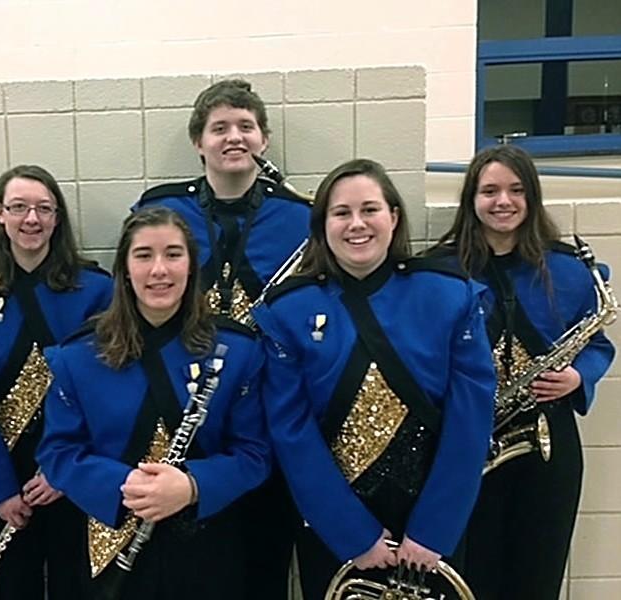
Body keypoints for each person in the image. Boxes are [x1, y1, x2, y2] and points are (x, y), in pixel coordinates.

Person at [253, 158, 496, 598]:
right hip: (336, 523)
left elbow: (471, 420)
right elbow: (291, 431)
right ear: (322, 225)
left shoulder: (449, 293)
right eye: (341, 213)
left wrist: (435, 529)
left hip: (431, 519)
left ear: (394, 217)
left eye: (370, 209)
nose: (356, 224)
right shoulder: (286, 310)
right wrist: (351, 533)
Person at [37, 207, 271, 600]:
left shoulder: (238, 350)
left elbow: (256, 454)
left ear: (192, 266)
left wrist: (193, 486)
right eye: (144, 255)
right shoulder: (77, 356)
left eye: (173, 254)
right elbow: (57, 453)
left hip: (210, 550)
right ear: (125, 269)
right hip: (112, 553)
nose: (159, 269)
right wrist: (122, 484)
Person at [132, 78, 309, 599]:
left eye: (246, 126)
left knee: (267, 563)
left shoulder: (302, 215)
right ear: (199, 142)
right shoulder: (161, 208)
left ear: (264, 141)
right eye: (219, 127)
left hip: (270, 410)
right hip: (185, 410)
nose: (234, 137)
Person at [427, 145, 615, 600]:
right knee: (471, 572)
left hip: (548, 443)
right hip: (468, 442)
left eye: (515, 190)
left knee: (539, 572)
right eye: (489, 190)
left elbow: (597, 345)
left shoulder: (568, 269)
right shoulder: (441, 269)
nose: (502, 201)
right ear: (471, 199)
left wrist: (578, 378)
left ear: (531, 197)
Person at [0, 164, 113, 599]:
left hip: (76, 473)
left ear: (57, 218)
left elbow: (106, 392)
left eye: (44, 208)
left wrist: (66, 472)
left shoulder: (98, 290)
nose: (32, 219)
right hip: (4, 476)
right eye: (19, 207)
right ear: (0, 214)